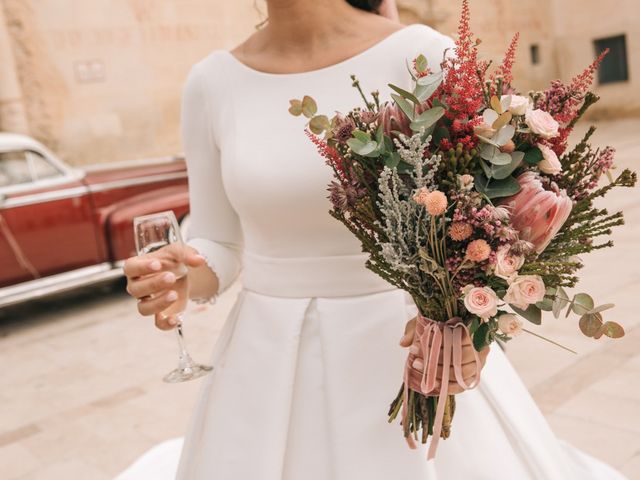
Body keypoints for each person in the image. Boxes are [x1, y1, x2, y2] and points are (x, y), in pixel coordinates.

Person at [120, 1, 627, 478]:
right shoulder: (211, 82)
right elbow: (217, 240)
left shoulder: (420, 53)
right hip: (263, 362)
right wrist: (183, 271)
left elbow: (489, 217)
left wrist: (470, 333)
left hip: (411, 350)